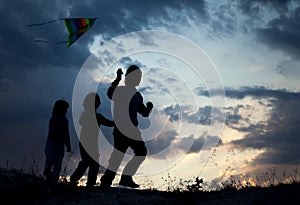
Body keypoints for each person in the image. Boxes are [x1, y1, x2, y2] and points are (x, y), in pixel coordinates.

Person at [100, 65, 153, 189]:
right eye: (137, 76)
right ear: (129, 77)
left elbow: (144, 113)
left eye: (140, 77)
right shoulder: (121, 90)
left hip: (133, 130)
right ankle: (106, 182)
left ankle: (125, 178)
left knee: (141, 152)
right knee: (117, 156)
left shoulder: (137, 95)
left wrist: (149, 107)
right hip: (121, 129)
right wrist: (117, 78)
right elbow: (110, 93)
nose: (139, 79)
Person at [70, 92, 114, 187]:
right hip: (85, 141)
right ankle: (74, 180)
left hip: (92, 143)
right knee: (87, 161)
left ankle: (90, 183)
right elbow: (81, 122)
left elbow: (110, 123)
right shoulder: (87, 115)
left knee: (94, 163)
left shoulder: (98, 116)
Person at [43, 99, 71, 185]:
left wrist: (68, 145)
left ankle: (54, 180)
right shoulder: (53, 119)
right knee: (50, 160)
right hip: (52, 142)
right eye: (64, 108)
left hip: (60, 143)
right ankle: (47, 177)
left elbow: (67, 133)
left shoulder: (65, 120)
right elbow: (52, 131)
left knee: (58, 162)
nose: (66, 111)